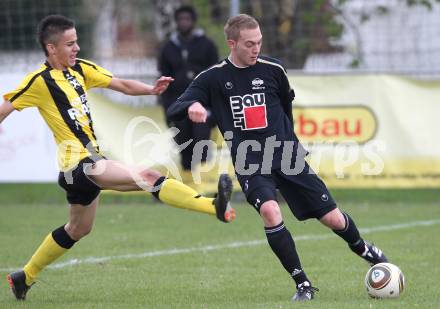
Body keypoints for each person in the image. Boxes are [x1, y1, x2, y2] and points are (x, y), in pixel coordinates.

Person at [0, 14, 236, 301]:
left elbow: (121, 84)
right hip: (78, 164)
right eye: (70, 44)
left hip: (89, 163)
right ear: (51, 49)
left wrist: (150, 89)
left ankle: (23, 277)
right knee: (148, 176)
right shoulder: (38, 81)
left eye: (77, 42)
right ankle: (215, 207)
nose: (76, 48)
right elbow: (5, 107)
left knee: (77, 229)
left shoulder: (81, 70)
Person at [167, 14, 388, 302]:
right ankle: (303, 284)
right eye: (249, 44)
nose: (256, 49)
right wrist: (194, 105)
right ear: (232, 43)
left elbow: (285, 106)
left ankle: (364, 250)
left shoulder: (273, 69)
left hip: (286, 155)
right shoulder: (213, 77)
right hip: (250, 162)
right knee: (271, 211)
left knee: (332, 218)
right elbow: (176, 107)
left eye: (258, 42)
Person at [158, 5, 219, 176]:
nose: (184, 22)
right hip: (179, 105)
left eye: (187, 19)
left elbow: (215, 77)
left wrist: (214, 109)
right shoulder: (168, 47)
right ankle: (189, 183)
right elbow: (164, 81)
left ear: (193, 21)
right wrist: (168, 109)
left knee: (201, 141)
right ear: (176, 22)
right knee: (184, 143)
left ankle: (205, 183)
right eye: (181, 19)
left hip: (202, 104)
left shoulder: (207, 45)